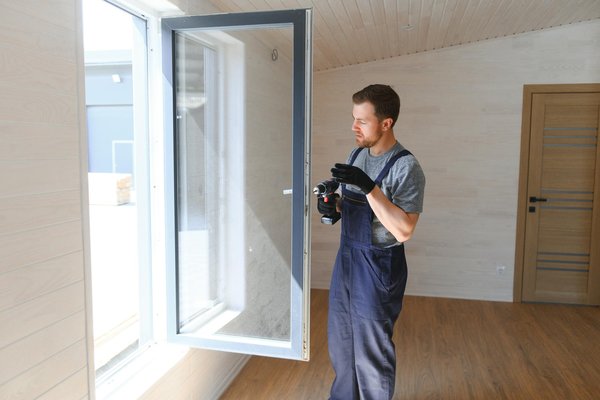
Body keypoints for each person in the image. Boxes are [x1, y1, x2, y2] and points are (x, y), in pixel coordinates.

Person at [317, 84, 425, 400]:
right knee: (343, 340)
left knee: (371, 353)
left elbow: (404, 230)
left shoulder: (406, 166)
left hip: (378, 266)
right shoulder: (357, 155)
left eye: (362, 121)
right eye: (354, 118)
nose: (354, 127)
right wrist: (333, 206)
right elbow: (356, 208)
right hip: (348, 259)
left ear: (386, 123)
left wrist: (369, 188)